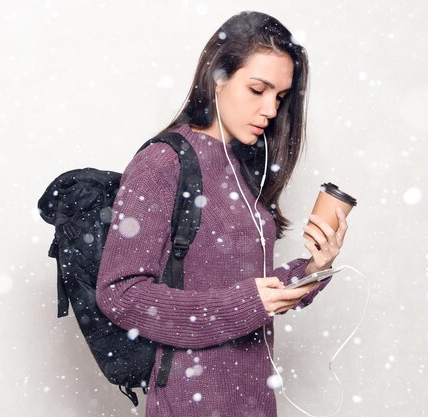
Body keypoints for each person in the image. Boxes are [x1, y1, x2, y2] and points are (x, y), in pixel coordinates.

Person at [96, 10, 348, 417]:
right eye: (257, 89)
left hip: (254, 398)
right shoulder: (163, 162)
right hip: (191, 401)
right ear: (218, 78)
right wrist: (243, 305)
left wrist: (312, 269)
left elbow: (248, 290)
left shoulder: (241, 164)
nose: (270, 109)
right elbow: (119, 294)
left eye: (280, 96)